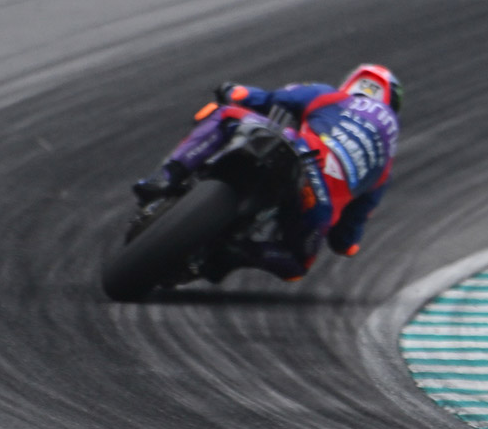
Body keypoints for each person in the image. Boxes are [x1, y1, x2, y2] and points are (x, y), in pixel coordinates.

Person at [133, 64, 402, 281]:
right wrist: (347, 245)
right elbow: (345, 239)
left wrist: (232, 90)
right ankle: (238, 253)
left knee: (225, 115)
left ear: (352, 84)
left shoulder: (330, 95)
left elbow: (259, 98)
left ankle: (165, 177)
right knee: (297, 265)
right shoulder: (384, 168)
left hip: (297, 147)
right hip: (317, 200)